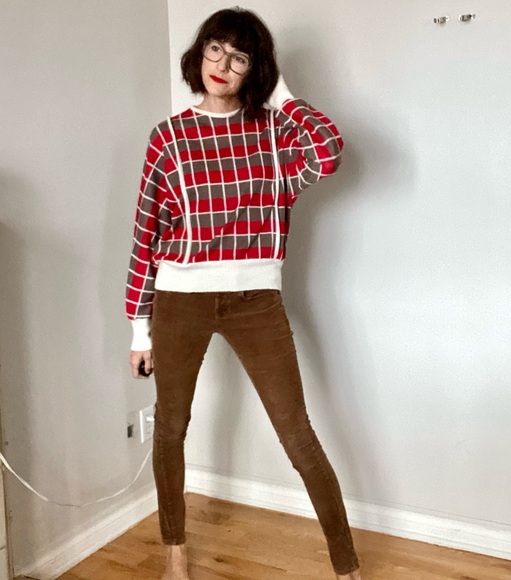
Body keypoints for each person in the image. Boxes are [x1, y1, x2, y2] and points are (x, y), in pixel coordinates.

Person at [126, 8, 362, 580]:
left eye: (240, 57)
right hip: (179, 299)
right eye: (215, 48)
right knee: (172, 428)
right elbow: (145, 234)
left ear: (256, 71)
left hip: (257, 301)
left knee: (297, 435)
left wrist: (282, 95)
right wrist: (139, 329)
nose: (222, 65)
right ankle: (175, 554)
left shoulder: (275, 132)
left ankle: (347, 567)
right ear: (199, 52)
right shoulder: (169, 136)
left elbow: (329, 151)